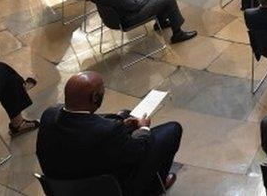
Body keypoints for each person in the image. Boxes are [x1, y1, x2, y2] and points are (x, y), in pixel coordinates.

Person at [36, 71, 181, 194]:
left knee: (123, 114)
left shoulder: (48, 115)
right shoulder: (108, 131)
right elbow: (138, 151)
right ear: (95, 98)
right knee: (172, 130)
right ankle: (155, 187)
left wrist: (121, 125)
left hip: (61, 187)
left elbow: (87, 127)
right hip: (108, 188)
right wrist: (143, 129)